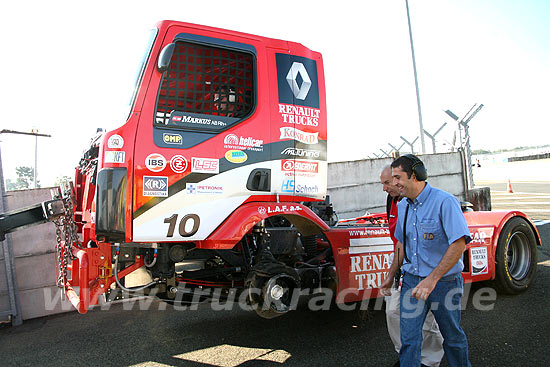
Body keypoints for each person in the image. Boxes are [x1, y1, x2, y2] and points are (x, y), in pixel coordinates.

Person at [380, 155, 472, 367]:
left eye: (397, 177)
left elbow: (458, 245)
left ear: (415, 175)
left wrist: (432, 279)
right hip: (412, 282)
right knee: (409, 340)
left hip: (444, 283)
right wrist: (391, 275)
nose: (393, 184)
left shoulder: (445, 202)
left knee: (453, 338)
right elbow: (401, 245)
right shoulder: (402, 206)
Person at [379, 165, 444, 367]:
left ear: (402, 180)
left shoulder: (423, 201)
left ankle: (430, 360)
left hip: (424, 265)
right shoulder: (394, 200)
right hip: (401, 260)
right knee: (393, 312)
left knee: (427, 320)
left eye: (388, 182)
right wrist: (392, 272)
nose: (385, 188)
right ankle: (407, 355)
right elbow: (399, 239)